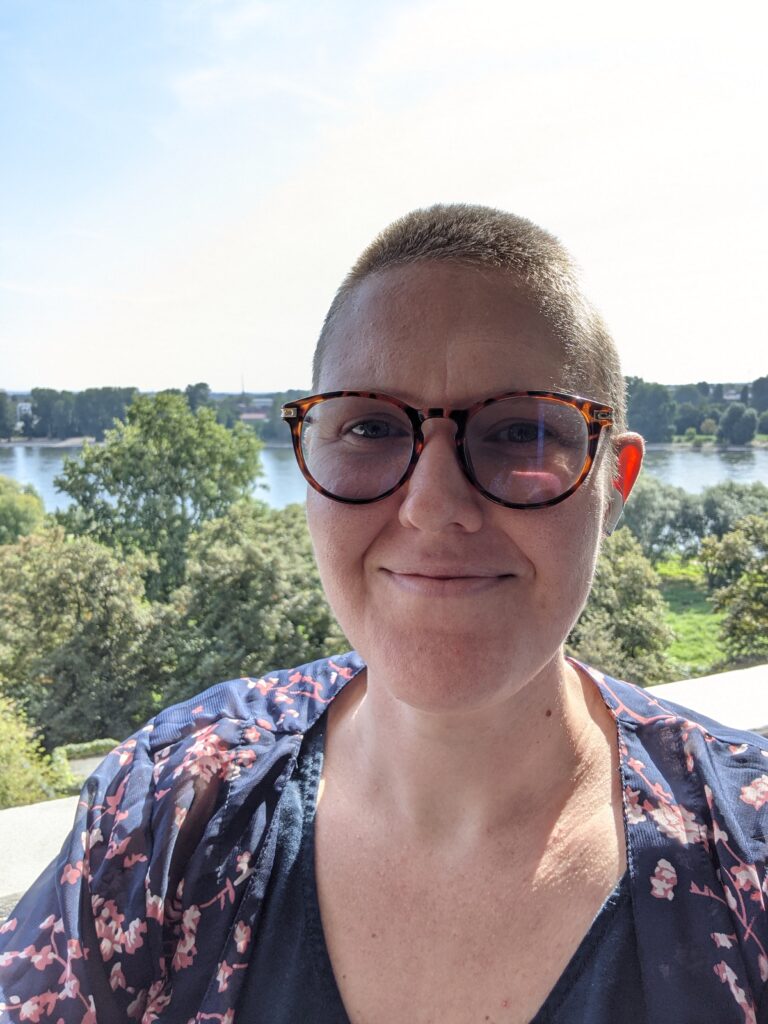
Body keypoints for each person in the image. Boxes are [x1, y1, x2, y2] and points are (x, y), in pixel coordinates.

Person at [1, 204, 767, 1024]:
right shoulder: (165, 811)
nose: (434, 507)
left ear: (613, 483)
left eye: (520, 431)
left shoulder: (745, 856)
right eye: (370, 426)